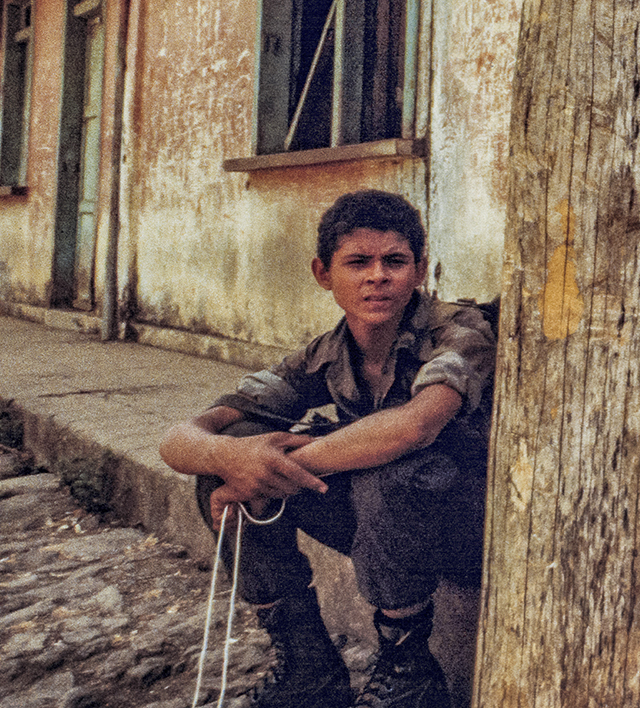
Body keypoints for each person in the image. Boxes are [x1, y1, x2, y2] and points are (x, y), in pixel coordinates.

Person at [159, 190, 493, 708]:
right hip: (397, 533)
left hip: (479, 530)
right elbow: (181, 438)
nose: (377, 276)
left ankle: (411, 675)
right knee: (229, 459)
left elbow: (414, 427)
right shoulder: (326, 355)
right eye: (357, 262)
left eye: (395, 262)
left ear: (420, 270)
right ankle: (307, 668)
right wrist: (231, 459)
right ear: (323, 273)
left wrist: (280, 468)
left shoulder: (459, 331)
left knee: (390, 471)